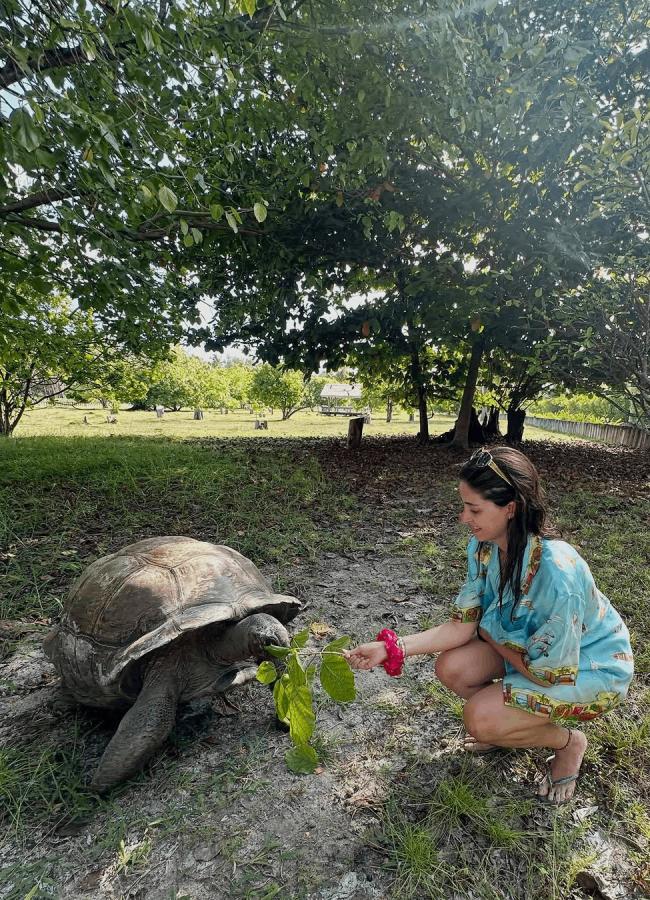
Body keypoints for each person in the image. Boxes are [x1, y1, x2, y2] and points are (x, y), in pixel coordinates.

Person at [345, 447, 634, 804]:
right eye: (464, 506)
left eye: (474, 509)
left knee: (479, 718)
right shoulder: (483, 548)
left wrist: (492, 638)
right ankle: (511, 725)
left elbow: (548, 674)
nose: (464, 517)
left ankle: (567, 742)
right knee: (451, 667)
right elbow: (461, 628)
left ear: (510, 508)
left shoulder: (558, 573)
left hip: (588, 667)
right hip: (524, 649)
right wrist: (389, 648)